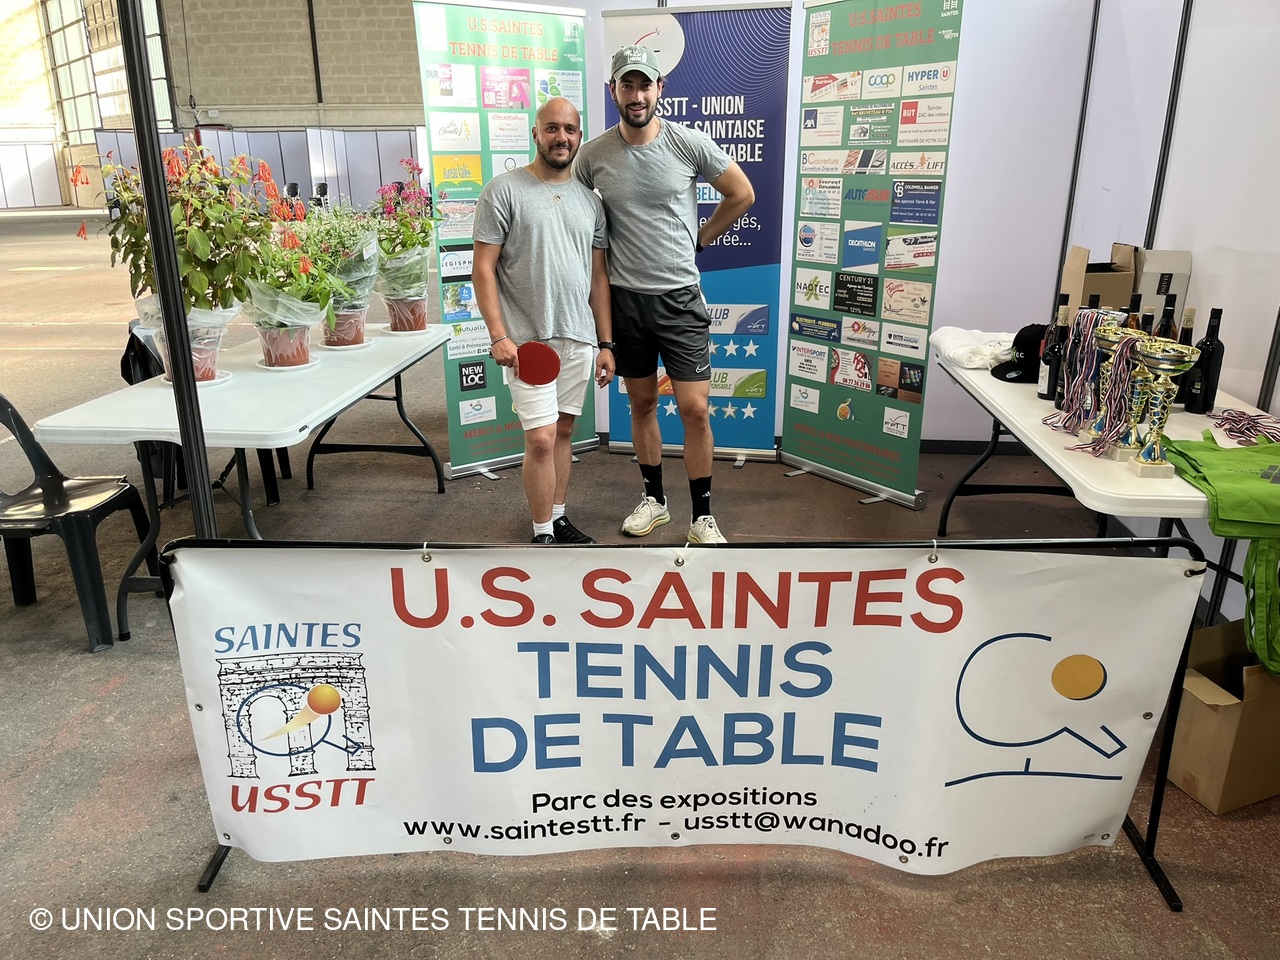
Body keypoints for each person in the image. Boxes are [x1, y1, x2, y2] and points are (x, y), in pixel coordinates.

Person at [574, 44, 755, 545]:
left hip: (679, 299)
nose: (636, 95)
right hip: (626, 301)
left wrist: (702, 238)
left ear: (660, 89)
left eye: (644, 85)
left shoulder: (688, 142)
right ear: (614, 91)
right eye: (626, 85)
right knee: (643, 405)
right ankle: (654, 501)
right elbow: (570, 207)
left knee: (695, 409)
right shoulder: (593, 155)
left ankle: (702, 518)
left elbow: (741, 193)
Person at [472, 97, 615, 545]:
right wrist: (498, 335)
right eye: (552, 128)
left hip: (578, 337)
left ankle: (557, 517)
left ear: (579, 137)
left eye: (570, 130)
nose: (561, 138)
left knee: (564, 432)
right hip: (527, 343)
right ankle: (541, 534)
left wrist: (605, 343)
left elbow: (598, 278)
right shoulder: (503, 190)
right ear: (535, 133)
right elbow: (482, 269)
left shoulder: (591, 203)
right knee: (540, 439)